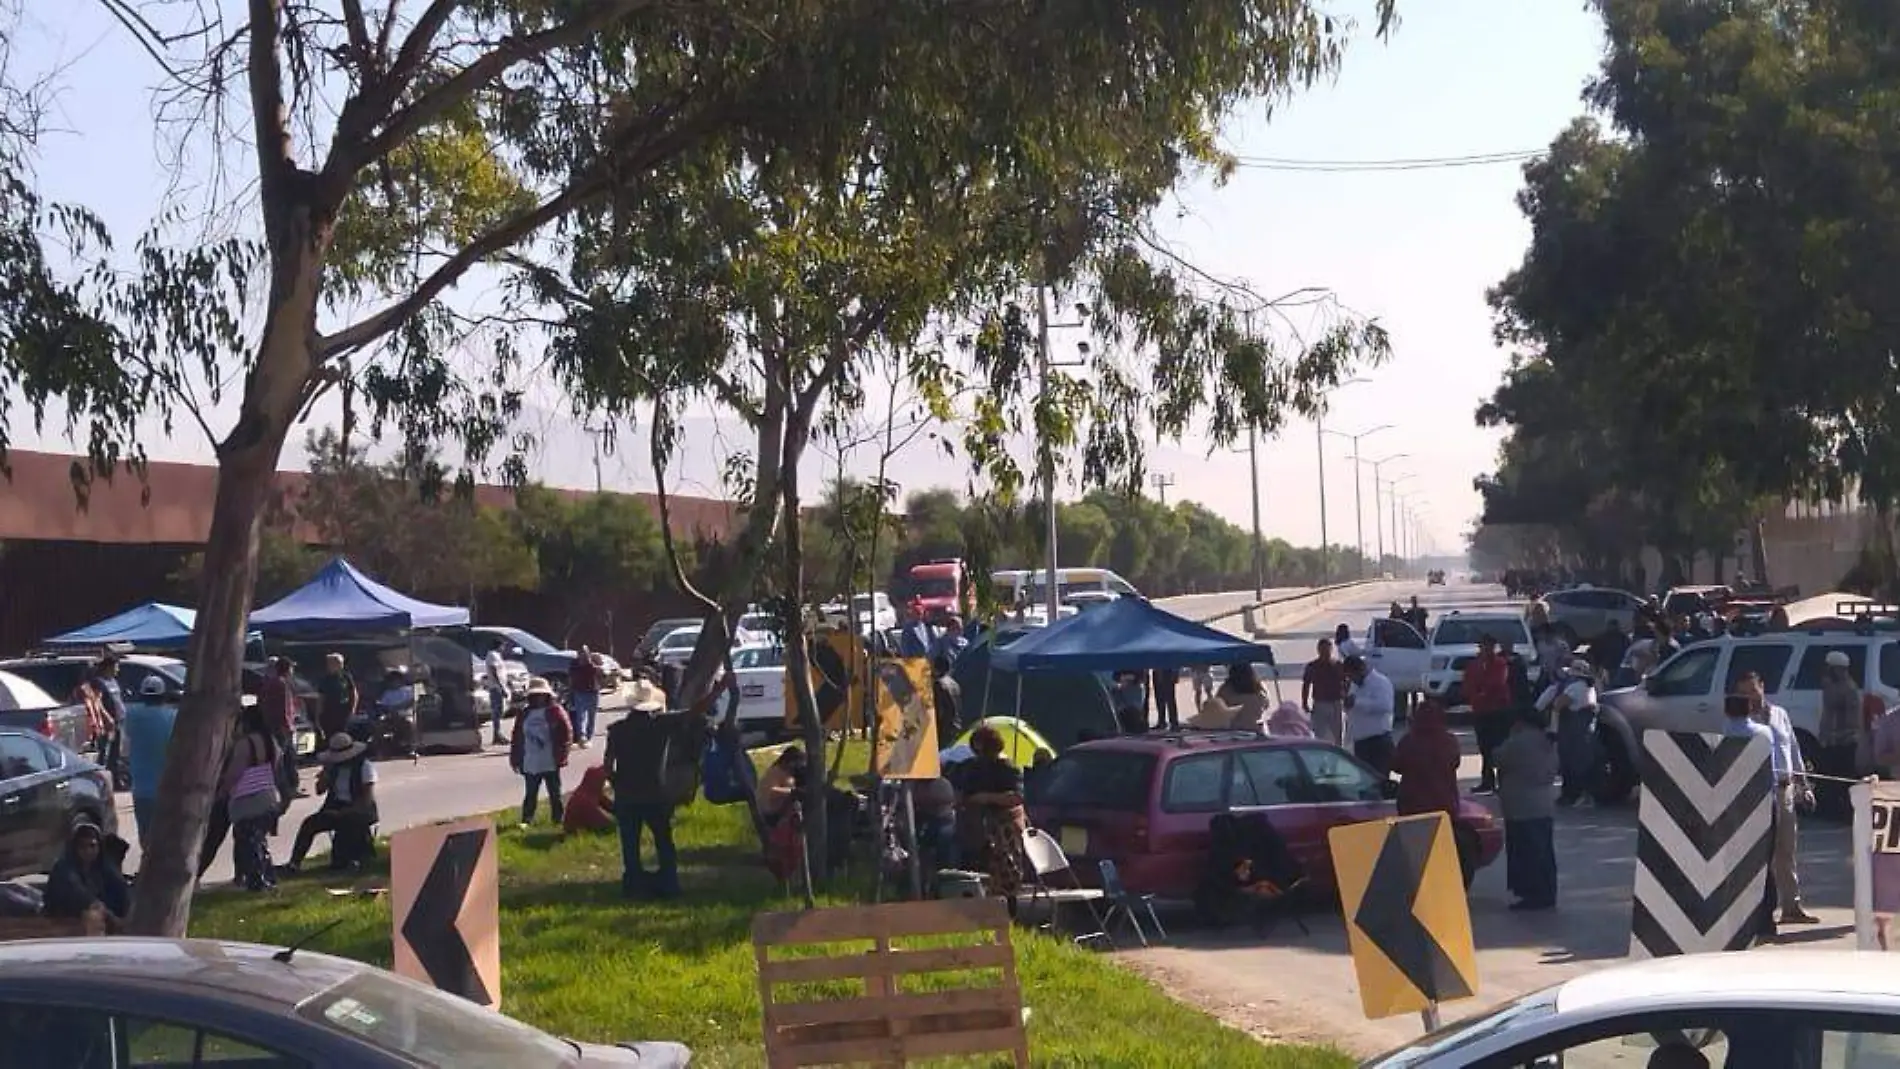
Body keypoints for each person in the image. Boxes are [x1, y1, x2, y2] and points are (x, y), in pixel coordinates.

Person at [604, 679, 708, 899]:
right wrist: (719, 689)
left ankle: (634, 885)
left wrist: (617, 783)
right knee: (663, 840)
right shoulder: (661, 725)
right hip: (655, 793)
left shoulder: (618, 729)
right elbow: (694, 712)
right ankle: (669, 884)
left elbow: (608, 764)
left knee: (630, 844)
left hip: (626, 795)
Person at [1737, 671, 1818, 925]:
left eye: (1753, 689)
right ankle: (1759, 913)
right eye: (1744, 692)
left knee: (1786, 850)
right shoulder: (1739, 721)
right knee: (1761, 854)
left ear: (1762, 687)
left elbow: (1792, 748)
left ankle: (1791, 906)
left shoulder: (1779, 714)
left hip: (1784, 791)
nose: (1750, 696)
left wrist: (1803, 784)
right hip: (1756, 794)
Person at [1721, 691, 1779, 940]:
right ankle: (1766, 920)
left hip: (1733, 805)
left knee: (1734, 863)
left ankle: (1736, 918)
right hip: (1764, 802)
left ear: (1726, 711)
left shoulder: (1722, 737)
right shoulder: (1764, 734)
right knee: (1764, 863)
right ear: (1750, 710)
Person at [282, 731, 381, 874]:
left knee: (345, 825)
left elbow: (366, 799)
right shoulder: (334, 768)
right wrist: (325, 776)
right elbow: (319, 790)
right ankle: (294, 863)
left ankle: (347, 860)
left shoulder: (364, 767)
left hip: (358, 809)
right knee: (309, 823)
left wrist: (345, 811)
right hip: (335, 807)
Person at [953, 725, 1027, 905]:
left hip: (1003, 828)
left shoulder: (1007, 769)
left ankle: (1007, 910)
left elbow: (1016, 798)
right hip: (973, 826)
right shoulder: (970, 768)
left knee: (1006, 873)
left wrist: (987, 798)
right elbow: (959, 793)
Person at [1495, 707, 1558, 910]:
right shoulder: (1547, 741)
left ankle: (1532, 894)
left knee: (1526, 851)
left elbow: (1498, 757)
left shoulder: (1518, 742)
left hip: (1521, 806)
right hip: (1544, 804)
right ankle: (1547, 891)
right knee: (1544, 852)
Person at [222, 703, 282, 892]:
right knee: (258, 840)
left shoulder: (245, 744)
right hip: (269, 796)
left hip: (248, 800)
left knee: (248, 842)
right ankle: (268, 877)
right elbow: (277, 766)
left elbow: (235, 773)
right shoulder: (271, 742)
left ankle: (257, 881)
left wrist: (222, 790)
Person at [123, 675, 179, 841]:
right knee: (168, 836)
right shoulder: (173, 717)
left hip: (141, 789)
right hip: (169, 788)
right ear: (163, 696)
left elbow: (124, 746)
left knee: (146, 836)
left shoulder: (131, 715)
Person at [43, 824, 129, 932]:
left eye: (92, 846)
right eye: (82, 847)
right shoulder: (64, 869)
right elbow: (80, 895)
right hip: (65, 918)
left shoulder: (103, 867)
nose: (88, 851)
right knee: (93, 916)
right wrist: (108, 915)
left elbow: (120, 888)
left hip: (103, 917)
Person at [511, 677, 573, 827]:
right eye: (535, 695)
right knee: (531, 793)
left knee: (554, 792)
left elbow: (567, 733)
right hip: (530, 760)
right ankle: (527, 819)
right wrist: (515, 758)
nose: (538, 698)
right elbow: (517, 736)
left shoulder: (555, 711)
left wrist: (563, 755)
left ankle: (558, 819)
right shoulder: (525, 713)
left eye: (541, 694)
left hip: (550, 759)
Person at [1390, 698, 1461, 819]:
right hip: (1444, 802)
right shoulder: (1449, 741)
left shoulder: (1408, 741)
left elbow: (1396, 766)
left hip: (1412, 804)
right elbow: (1455, 763)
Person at [1546, 659, 1599, 808]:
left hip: (1573, 733)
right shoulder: (1591, 688)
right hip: (1585, 732)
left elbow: (1558, 704)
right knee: (1581, 764)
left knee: (1571, 765)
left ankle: (1572, 795)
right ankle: (1579, 795)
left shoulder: (1575, 687)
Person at [1462, 635, 1511, 794]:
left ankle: (1502, 781)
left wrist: (1483, 691)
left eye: (1489, 646)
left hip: (1497, 711)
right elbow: (1468, 683)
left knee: (1499, 746)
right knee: (1484, 747)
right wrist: (1476, 695)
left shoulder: (1500, 663)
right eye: (1483, 646)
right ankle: (1487, 780)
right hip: (1480, 711)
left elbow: (1497, 683)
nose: (1485, 649)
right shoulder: (1474, 665)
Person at [1816, 651, 1862, 819]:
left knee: (1845, 776)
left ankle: (1848, 812)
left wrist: (1839, 736)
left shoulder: (1847, 688)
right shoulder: (1832, 686)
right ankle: (1831, 809)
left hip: (1844, 741)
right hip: (1831, 741)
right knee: (1830, 776)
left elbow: (1843, 712)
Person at [1343, 655, 1396, 777]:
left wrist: (1357, 702)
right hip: (1361, 743)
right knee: (1364, 782)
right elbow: (1352, 708)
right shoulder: (1354, 685)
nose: (1352, 680)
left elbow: (1385, 706)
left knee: (1379, 780)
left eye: (1352, 676)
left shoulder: (1380, 683)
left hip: (1377, 742)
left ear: (1361, 669)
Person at [260, 657, 305, 798]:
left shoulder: (269, 683)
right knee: (285, 758)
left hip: (273, 725)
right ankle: (288, 788)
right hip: (283, 727)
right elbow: (284, 708)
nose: (293, 670)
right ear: (287, 669)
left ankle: (287, 787)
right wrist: (288, 726)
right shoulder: (281, 684)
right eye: (291, 667)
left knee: (283, 758)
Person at [1302, 638, 1348, 745]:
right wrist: (1304, 702)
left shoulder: (1338, 665)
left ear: (1331, 650)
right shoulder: (1312, 666)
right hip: (1320, 703)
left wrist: (1346, 698)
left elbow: (1346, 682)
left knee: (1337, 735)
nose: (1325, 653)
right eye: (1322, 650)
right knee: (1320, 735)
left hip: (1336, 703)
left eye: (1327, 650)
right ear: (1318, 650)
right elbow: (1306, 684)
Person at [757, 745, 807, 827]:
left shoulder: (789, 773)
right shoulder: (776, 772)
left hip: (782, 811)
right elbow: (772, 791)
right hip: (772, 814)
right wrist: (793, 792)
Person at [1216, 662, 1271, 734]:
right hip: (1256, 729)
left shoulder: (1226, 689)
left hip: (1234, 731)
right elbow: (1266, 705)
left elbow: (1216, 707)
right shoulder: (1259, 688)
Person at [316, 652, 358, 739]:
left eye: (331, 663)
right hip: (329, 713)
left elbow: (353, 693)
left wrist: (352, 710)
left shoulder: (346, 677)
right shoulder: (325, 679)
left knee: (343, 736)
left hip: (343, 713)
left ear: (339, 664)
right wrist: (318, 715)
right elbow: (321, 697)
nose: (328, 666)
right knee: (330, 737)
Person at [568, 645, 602, 748]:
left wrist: (590, 663)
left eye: (585, 652)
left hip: (593, 691)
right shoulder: (574, 664)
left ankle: (588, 736)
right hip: (580, 691)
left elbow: (599, 672)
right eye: (581, 653)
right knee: (581, 716)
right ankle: (581, 737)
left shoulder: (593, 662)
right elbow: (571, 677)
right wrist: (571, 692)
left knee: (592, 716)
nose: (582, 655)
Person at [485, 644, 510, 745]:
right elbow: (493, 670)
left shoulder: (497, 655)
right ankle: (497, 734)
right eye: (502, 646)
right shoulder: (492, 655)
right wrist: (501, 687)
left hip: (499, 686)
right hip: (496, 688)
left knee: (500, 711)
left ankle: (498, 734)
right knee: (497, 711)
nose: (503, 648)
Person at [1151, 666, 1181, 730]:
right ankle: (1161, 721)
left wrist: (1175, 672)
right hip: (1157, 670)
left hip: (1168, 671)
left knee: (1170, 698)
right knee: (1159, 697)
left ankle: (1174, 722)